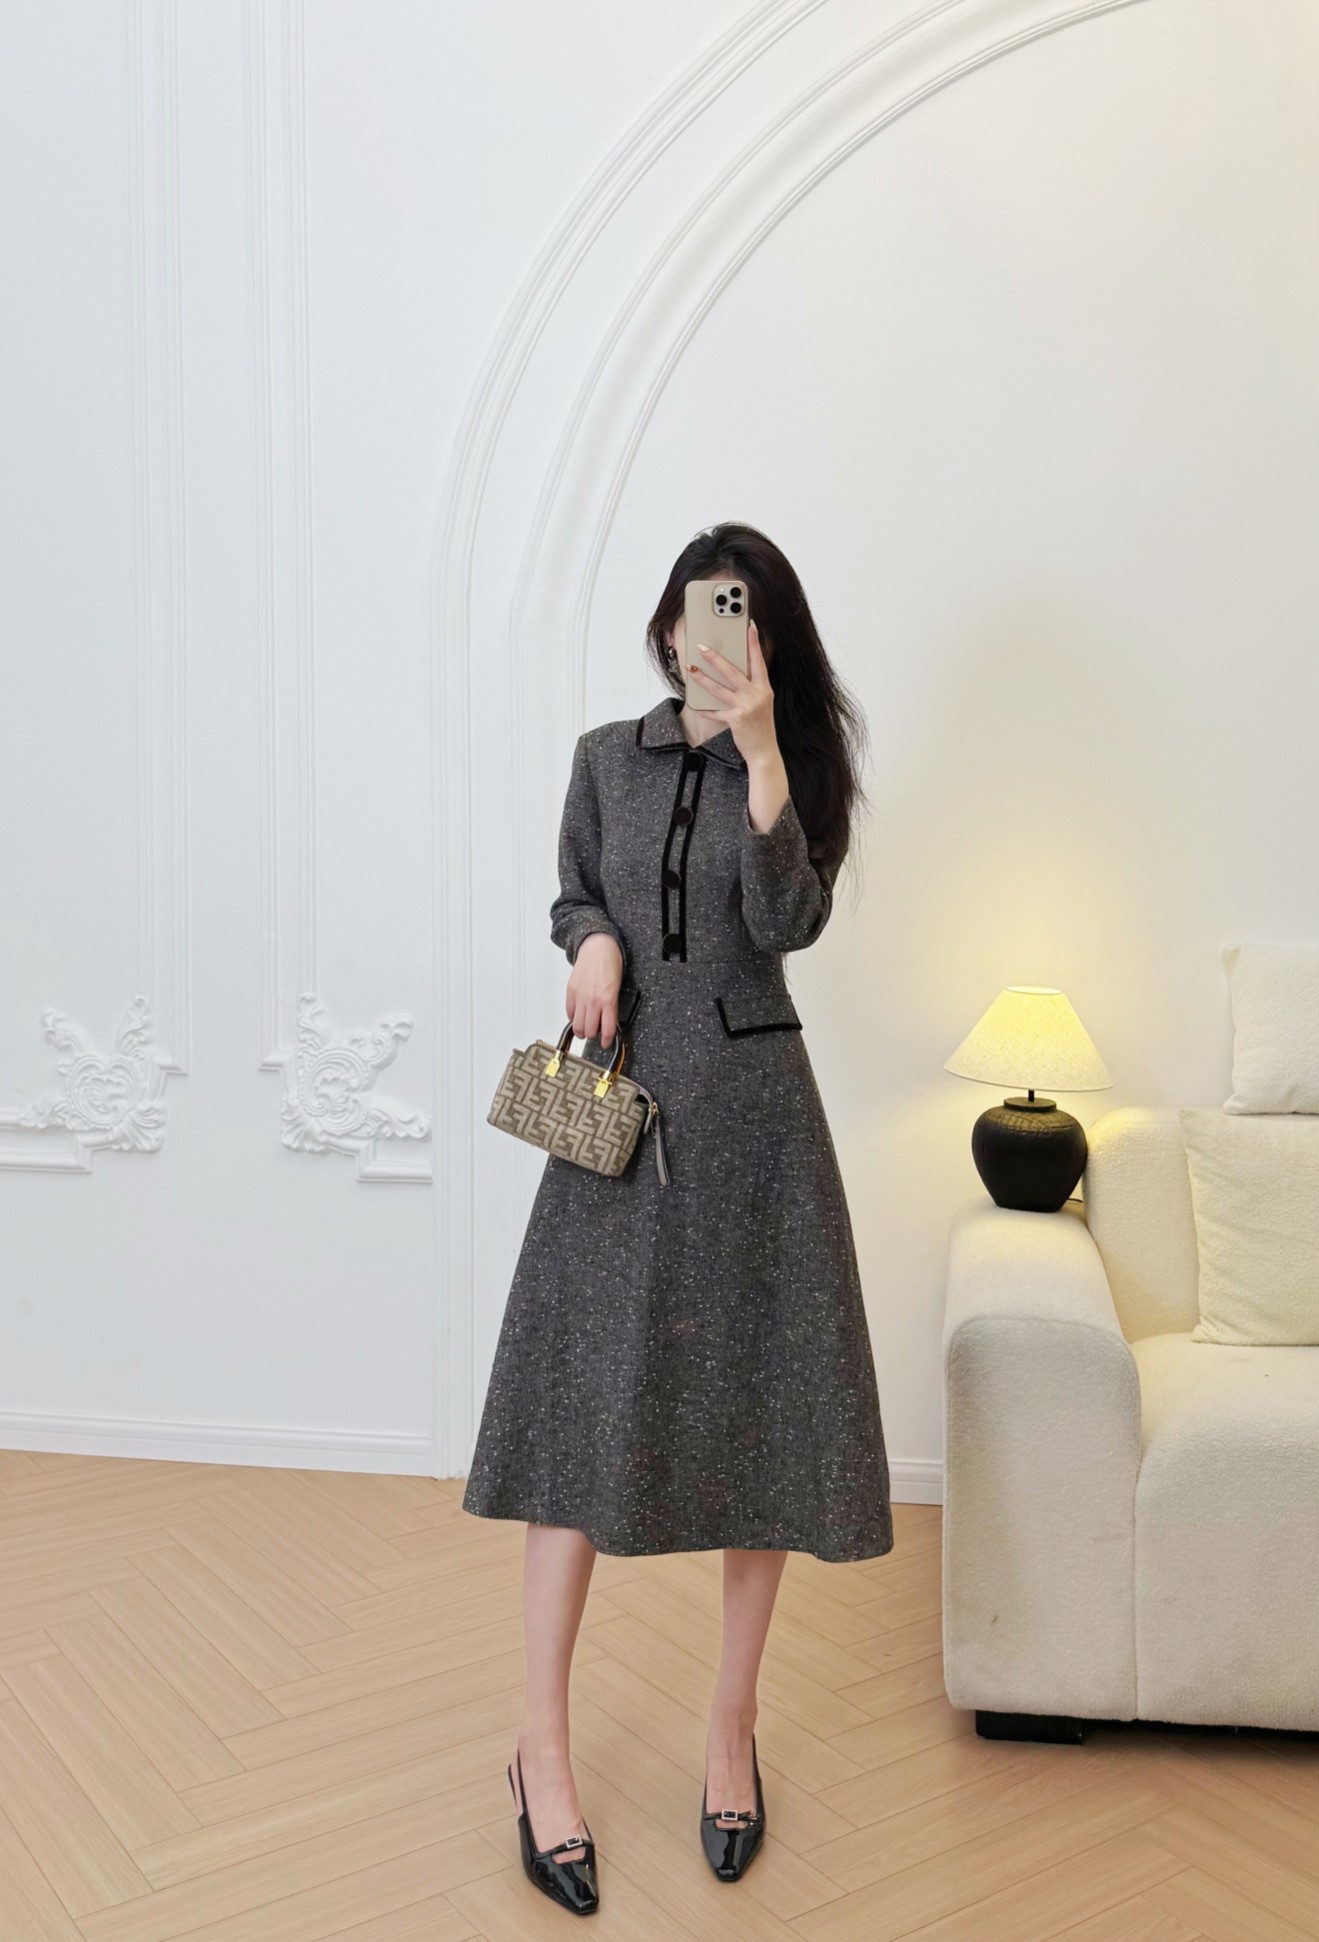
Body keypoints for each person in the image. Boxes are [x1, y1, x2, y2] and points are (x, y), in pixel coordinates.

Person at [462, 522, 893, 1916]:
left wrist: (764, 753)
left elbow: (785, 925)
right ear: (666, 629)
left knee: (759, 1419)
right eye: (701, 614)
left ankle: (728, 1728)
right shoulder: (607, 757)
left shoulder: (799, 766)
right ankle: (540, 1746)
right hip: (625, 1110)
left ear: (768, 641)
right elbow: (576, 889)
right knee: (577, 1417)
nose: (714, 637)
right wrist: (592, 938)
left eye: (742, 617)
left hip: (759, 1126)